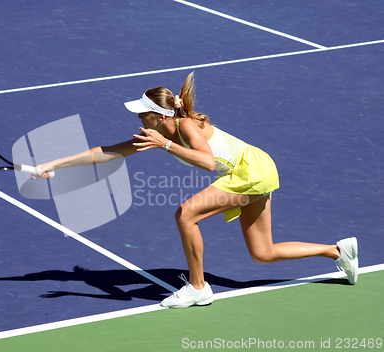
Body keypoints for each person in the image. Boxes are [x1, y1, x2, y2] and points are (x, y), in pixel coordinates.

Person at [34, 72, 359, 308]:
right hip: (257, 168)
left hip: (251, 170)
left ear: (157, 116)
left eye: (141, 113)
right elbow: (107, 152)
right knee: (263, 253)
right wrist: (54, 163)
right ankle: (337, 251)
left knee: (186, 213)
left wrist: (166, 146)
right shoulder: (160, 131)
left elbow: (206, 162)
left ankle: (199, 287)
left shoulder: (185, 127)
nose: (138, 117)